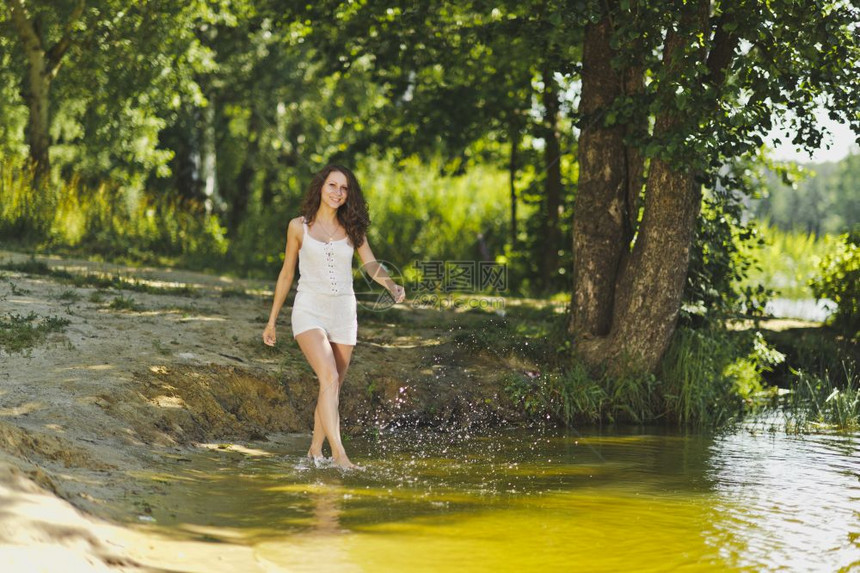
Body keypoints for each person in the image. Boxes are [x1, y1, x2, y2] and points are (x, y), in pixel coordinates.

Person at [262, 165, 406, 469]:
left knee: (332, 385)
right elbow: (287, 273)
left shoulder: (353, 228)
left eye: (344, 188)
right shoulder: (298, 226)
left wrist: (391, 284)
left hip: (343, 312)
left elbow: (370, 265)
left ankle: (315, 450)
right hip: (309, 309)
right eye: (332, 185)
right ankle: (340, 456)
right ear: (320, 187)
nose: (337, 192)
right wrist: (272, 320)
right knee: (328, 376)